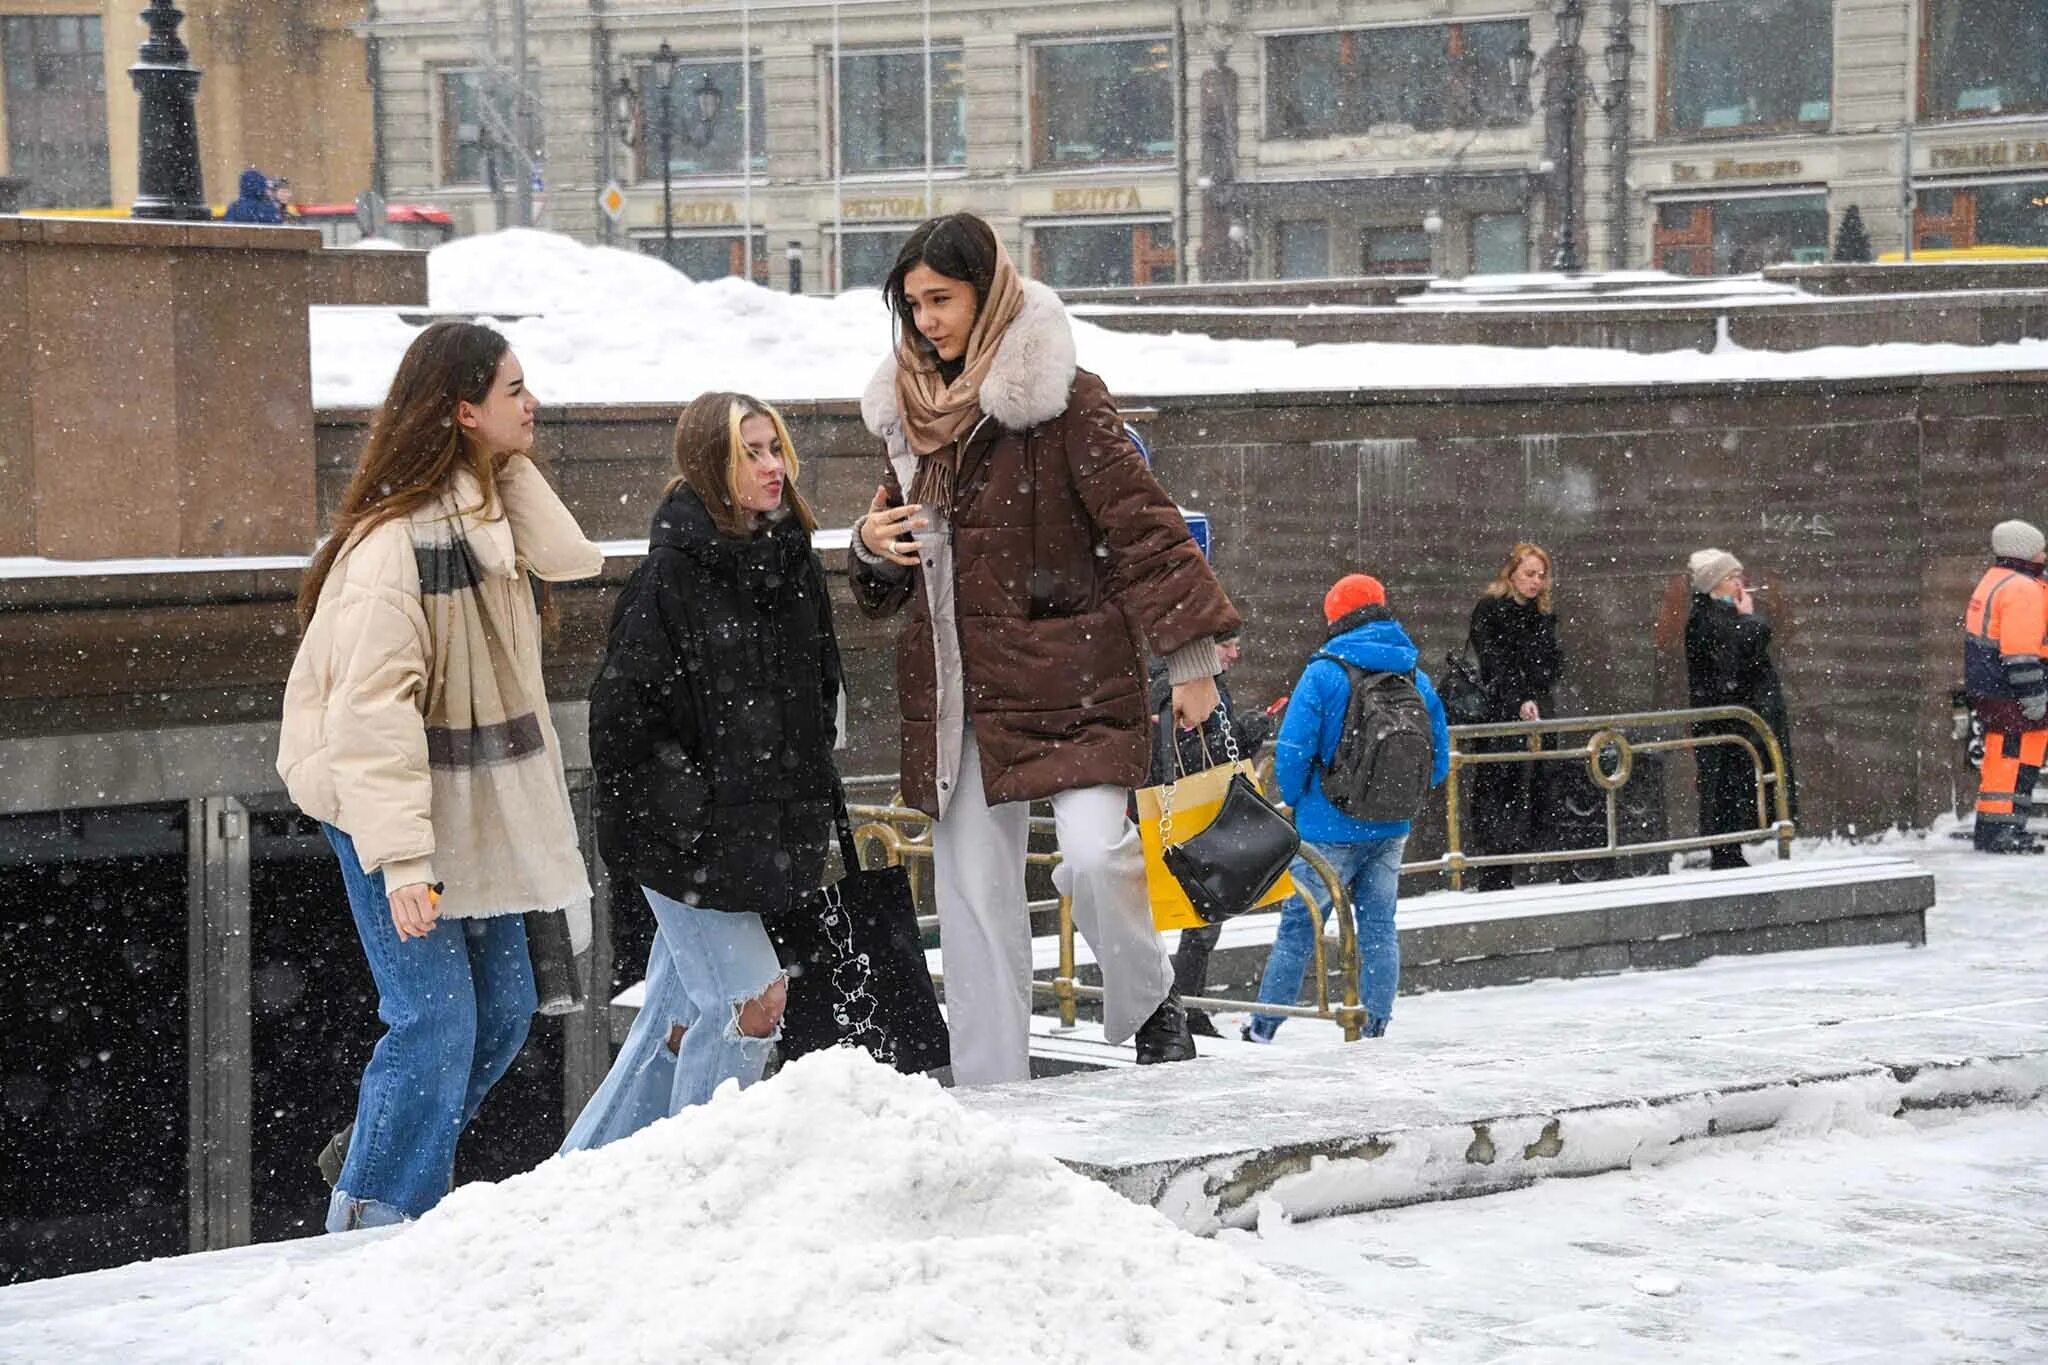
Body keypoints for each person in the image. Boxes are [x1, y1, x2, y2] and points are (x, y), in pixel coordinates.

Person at [849, 212, 1240, 1084]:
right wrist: (869, 549)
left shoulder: (1061, 395)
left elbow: (1141, 522)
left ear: (988, 293)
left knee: (1100, 856)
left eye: (941, 300)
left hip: (1073, 680)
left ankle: (1148, 1000)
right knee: (977, 910)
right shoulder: (907, 416)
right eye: (912, 305)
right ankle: (995, 1097)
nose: (926, 322)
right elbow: (892, 572)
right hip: (960, 688)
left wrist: (1192, 661)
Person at [278, 321, 603, 1232]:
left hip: (462, 797)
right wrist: (406, 861)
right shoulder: (397, 546)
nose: (531, 402)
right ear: (464, 411)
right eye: (512, 390)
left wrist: (503, 468)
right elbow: (370, 716)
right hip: (384, 805)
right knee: (434, 1018)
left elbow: (574, 557)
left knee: (505, 1005)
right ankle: (376, 1210)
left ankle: (378, 1147)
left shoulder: (483, 523)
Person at [560, 393, 841, 1152]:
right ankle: (697, 1177)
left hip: (755, 844)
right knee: (753, 1000)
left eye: (774, 447)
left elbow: (814, 705)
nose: (772, 466)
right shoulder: (667, 580)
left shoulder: (792, 565)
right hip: (688, 846)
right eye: (750, 452)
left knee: (676, 1023)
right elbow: (621, 730)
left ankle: (581, 1178)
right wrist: (701, 812)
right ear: (710, 466)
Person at [1243, 574, 1449, 1042]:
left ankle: (1264, 1025)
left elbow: (1293, 750)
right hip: (1391, 823)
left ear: (1336, 617)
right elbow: (1437, 758)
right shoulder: (1413, 673)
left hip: (1326, 825)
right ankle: (1374, 1022)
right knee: (1379, 924)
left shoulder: (1324, 672)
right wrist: (1401, 796)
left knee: (1301, 924)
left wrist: (1298, 800)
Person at [1153, 630, 1277, 1037]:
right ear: (1204, 647)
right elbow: (1198, 751)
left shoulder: (1172, 675)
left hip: (1175, 809)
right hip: (1192, 813)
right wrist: (1247, 735)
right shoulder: (1188, 682)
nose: (1235, 654)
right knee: (1203, 919)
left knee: (1200, 919)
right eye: (1227, 645)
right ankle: (1181, 1009)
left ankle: (1180, 1007)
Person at [1684, 549, 1796, 870]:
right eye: (1732, 578)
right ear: (1714, 583)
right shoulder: (1708, 618)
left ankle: (1731, 848)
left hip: (1735, 722)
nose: (1739, 584)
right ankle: (1726, 852)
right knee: (1725, 788)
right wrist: (1748, 619)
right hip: (1725, 723)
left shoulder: (1719, 615)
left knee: (1736, 787)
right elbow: (1732, 657)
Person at [1463, 542, 1564, 892]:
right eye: (1529, 574)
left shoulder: (1541, 614)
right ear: (1512, 575)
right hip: (1499, 713)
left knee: (1535, 785)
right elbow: (1493, 662)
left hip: (1534, 710)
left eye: (1540, 575)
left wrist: (1533, 694)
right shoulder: (1492, 609)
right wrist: (1519, 697)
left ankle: (1525, 862)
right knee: (1498, 786)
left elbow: (1551, 663)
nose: (1536, 582)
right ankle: (1495, 870)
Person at [1962, 520, 2048, 854]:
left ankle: (1996, 827)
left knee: (2003, 757)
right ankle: (2004, 832)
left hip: (1991, 687)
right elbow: (2020, 653)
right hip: (2012, 690)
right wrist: (2034, 697)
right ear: (2022, 552)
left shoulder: (1995, 580)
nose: (2044, 555)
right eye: (2039, 549)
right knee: (2015, 755)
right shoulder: (2021, 589)